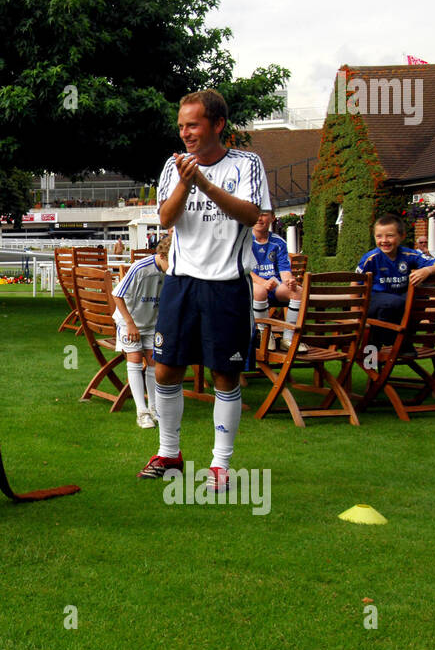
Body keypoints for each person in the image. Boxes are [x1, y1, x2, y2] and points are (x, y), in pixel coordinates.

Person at [139, 89, 268, 492]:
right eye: (181, 126)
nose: (186, 134)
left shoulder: (247, 163)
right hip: (181, 283)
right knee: (165, 368)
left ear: (218, 124)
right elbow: (165, 218)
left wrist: (206, 185)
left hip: (227, 286)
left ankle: (220, 465)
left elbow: (253, 214)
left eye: (193, 125)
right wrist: (184, 182)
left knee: (225, 375)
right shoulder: (172, 165)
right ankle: (169, 453)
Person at [355, 214, 435, 346]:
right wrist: (354, 316)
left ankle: (401, 340)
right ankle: (394, 341)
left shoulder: (408, 254)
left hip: (398, 303)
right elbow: (356, 282)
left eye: (390, 235)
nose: (384, 240)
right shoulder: (371, 258)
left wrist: (427, 270)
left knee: (419, 299)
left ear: (402, 236)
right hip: (374, 301)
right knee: (394, 302)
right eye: (379, 236)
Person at [112, 234, 170, 428]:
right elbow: (118, 295)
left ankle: (154, 408)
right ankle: (141, 412)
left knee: (154, 360)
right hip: (129, 321)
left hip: (152, 323)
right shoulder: (140, 268)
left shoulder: (171, 271)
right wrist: (130, 324)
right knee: (135, 358)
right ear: (162, 256)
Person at [249, 209, 302, 351]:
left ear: (272, 217)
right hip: (252, 285)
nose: (260, 218)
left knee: (297, 291)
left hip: (274, 285)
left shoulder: (279, 242)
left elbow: (284, 271)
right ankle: (266, 336)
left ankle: (288, 339)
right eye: (257, 214)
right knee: (260, 292)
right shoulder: (245, 240)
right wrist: (262, 282)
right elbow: (244, 269)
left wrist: (289, 281)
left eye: (264, 214)